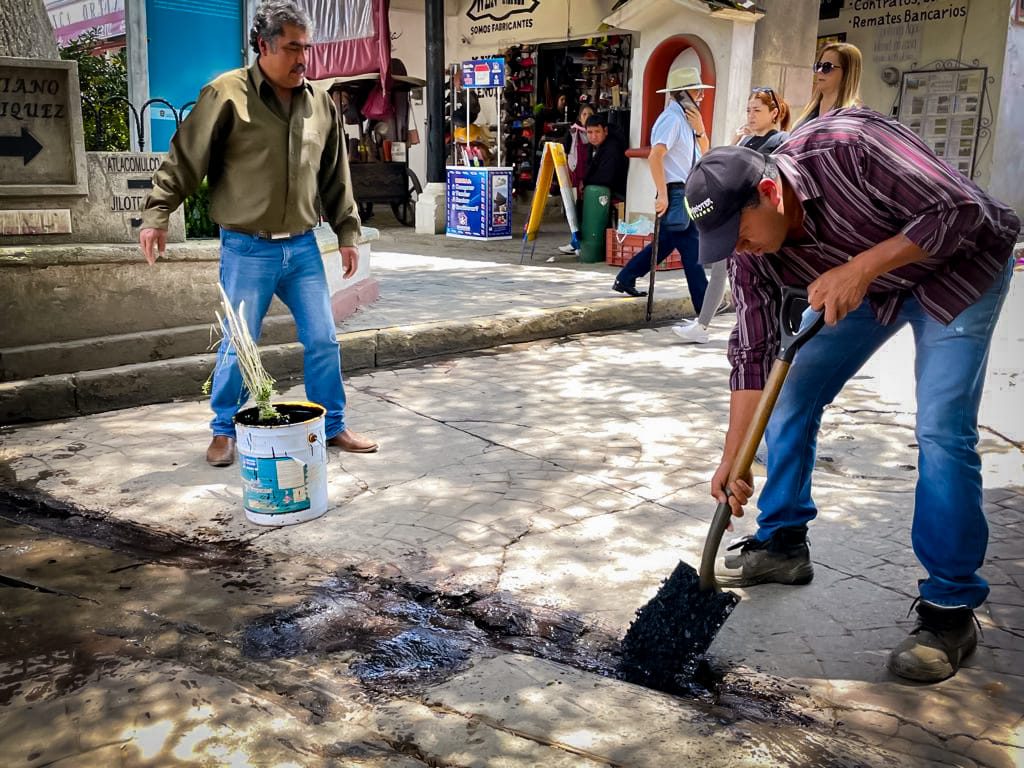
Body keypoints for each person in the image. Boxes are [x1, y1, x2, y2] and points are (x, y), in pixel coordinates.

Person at [684, 109, 1020, 683]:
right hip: (865, 284)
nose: (740, 248)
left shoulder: (849, 146)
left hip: (958, 269)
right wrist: (732, 456)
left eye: (740, 233)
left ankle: (950, 610)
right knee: (788, 398)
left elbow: (967, 210)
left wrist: (862, 267)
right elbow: (753, 353)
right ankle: (783, 543)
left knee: (941, 428)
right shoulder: (752, 254)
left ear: (770, 191)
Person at [139, 0, 378, 468]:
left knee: (324, 339)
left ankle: (332, 426)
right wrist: (156, 215)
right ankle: (223, 430)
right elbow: (186, 159)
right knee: (240, 343)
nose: (303, 59)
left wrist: (347, 231)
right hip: (247, 248)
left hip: (304, 248)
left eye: (306, 48)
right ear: (263, 46)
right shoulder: (225, 95)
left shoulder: (320, 104)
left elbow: (335, 175)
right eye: (292, 48)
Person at [673, 87, 791, 344]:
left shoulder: (781, 140)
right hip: (731, 217)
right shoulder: (746, 141)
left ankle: (773, 331)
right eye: (748, 110)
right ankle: (704, 325)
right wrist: (734, 141)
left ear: (774, 113)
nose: (751, 115)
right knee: (720, 270)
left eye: (757, 110)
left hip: (757, 219)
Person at [611, 67, 709, 316]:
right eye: (696, 90)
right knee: (692, 250)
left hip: (685, 191)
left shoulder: (686, 120)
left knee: (666, 243)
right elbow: (656, 155)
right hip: (676, 192)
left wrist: (700, 129)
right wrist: (663, 193)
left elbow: (704, 152)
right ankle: (705, 305)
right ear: (682, 94)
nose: (701, 96)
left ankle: (626, 277)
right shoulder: (672, 119)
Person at [792, 42, 862, 129]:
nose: (819, 71)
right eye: (818, 66)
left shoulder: (852, 118)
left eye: (827, 66)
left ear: (847, 73)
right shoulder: (810, 112)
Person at [558, 104, 595, 255]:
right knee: (575, 210)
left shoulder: (596, 134)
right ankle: (576, 242)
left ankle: (582, 244)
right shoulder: (573, 133)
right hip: (575, 177)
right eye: (584, 114)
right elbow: (565, 152)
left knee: (588, 212)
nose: (587, 117)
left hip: (591, 176)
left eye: (590, 114)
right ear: (580, 117)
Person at [580, 113, 629, 200]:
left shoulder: (613, 148)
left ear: (605, 131)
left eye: (597, 131)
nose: (594, 136)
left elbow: (606, 178)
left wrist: (585, 182)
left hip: (616, 194)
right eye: (590, 132)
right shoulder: (593, 146)